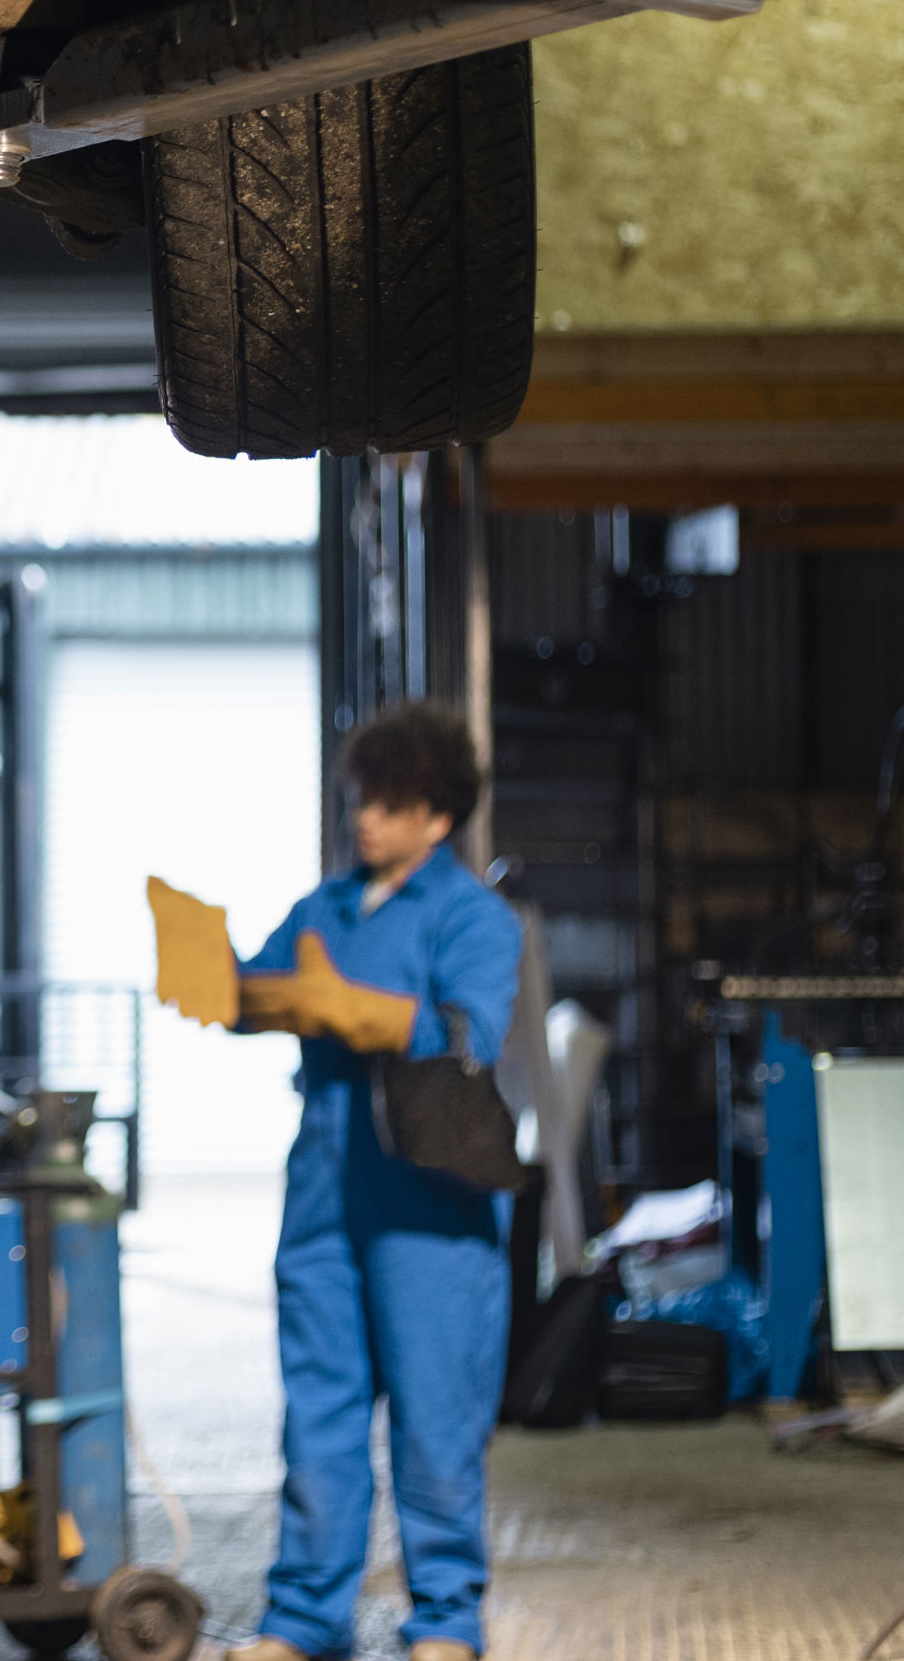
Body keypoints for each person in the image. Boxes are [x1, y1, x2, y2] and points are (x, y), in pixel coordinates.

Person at [231, 702, 521, 1661]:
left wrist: (353, 1010)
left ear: (437, 817)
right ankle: (304, 1618)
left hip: (428, 1200)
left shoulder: (471, 916)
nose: (366, 821)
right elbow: (261, 990)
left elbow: (467, 1032)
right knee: (317, 1412)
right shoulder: (323, 909)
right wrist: (225, 984)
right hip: (322, 1196)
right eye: (362, 801)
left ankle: (444, 1618)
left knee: (436, 1417)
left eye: (390, 806)